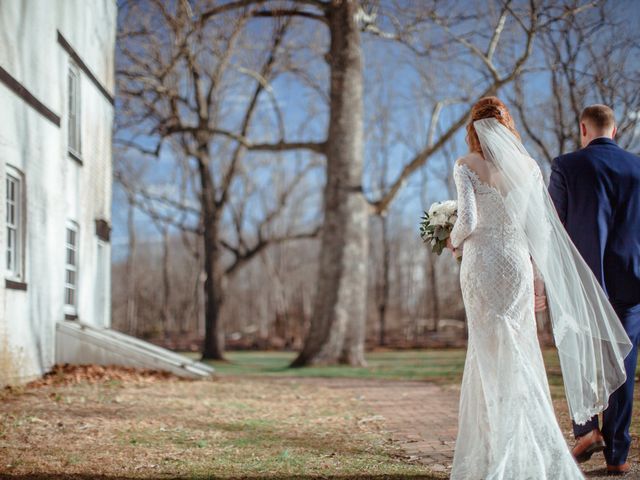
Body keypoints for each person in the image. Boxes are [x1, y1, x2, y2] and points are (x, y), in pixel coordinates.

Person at [446, 96, 631, 479]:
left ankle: (495, 449)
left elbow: (467, 220)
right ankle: (543, 445)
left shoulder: (466, 165)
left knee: (486, 353)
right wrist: (537, 278)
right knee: (523, 349)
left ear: (474, 129)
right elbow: (538, 230)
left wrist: (451, 239)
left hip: (482, 265)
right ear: (507, 125)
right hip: (517, 265)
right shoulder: (528, 167)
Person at [549, 104, 640, 476]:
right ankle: (617, 454)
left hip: (583, 281)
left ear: (583, 128)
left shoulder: (566, 165)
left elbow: (552, 224)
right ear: (615, 130)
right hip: (632, 280)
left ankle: (586, 431)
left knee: (579, 353)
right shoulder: (638, 167)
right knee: (624, 361)